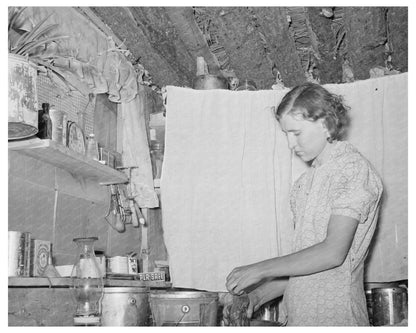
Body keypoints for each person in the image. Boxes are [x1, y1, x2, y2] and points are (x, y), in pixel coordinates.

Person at [224, 82, 383, 326]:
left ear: (326, 124)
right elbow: (305, 268)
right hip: (300, 318)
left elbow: (332, 253)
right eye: (286, 134)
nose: (290, 144)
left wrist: (260, 269)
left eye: (296, 133)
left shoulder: (352, 169)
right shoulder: (304, 184)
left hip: (337, 317)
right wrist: (256, 297)